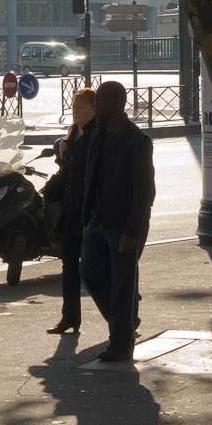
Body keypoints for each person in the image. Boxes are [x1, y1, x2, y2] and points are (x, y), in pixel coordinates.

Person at [79, 81, 156, 362]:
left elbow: (144, 191)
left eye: (100, 101)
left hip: (124, 225)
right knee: (89, 271)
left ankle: (121, 342)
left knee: (123, 281)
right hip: (98, 221)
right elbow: (91, 178)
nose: (95, 105)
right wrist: (87, 217)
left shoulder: (137, 141)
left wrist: (132, 231)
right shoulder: (97, 136)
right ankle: (124, 318)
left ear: (116, 104)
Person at [41, 88, 97, 334]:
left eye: (81, 107)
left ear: (94, 109)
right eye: (74, 107)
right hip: (71, 210)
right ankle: (69, 317)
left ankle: (125, 315)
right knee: (69, 265)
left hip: (91, 211)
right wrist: (63, 155)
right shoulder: (74, 134)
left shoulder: (97, 135)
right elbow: (68, 173)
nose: (75, 111)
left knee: (96, 268)